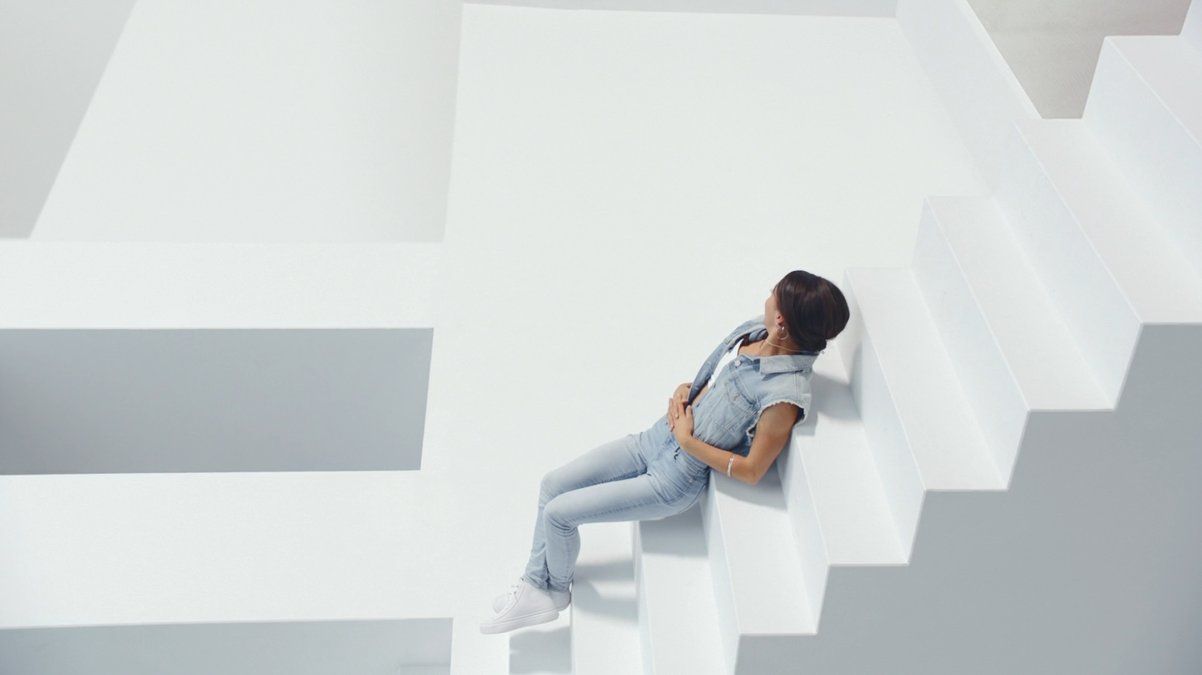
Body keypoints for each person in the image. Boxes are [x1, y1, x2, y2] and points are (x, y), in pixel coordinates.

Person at [479, 270, 850, 634]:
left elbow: (753, 470)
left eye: (773, 295)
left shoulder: (783, 397)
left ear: (783, 320)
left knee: (559, 515)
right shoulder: (756, 331)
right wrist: (684, 391)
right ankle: (535, 586)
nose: (767, 296)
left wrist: (689, 442)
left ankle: (554, 592)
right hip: (655, 438)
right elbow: (718, 385)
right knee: (552, 484)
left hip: (672, 479)